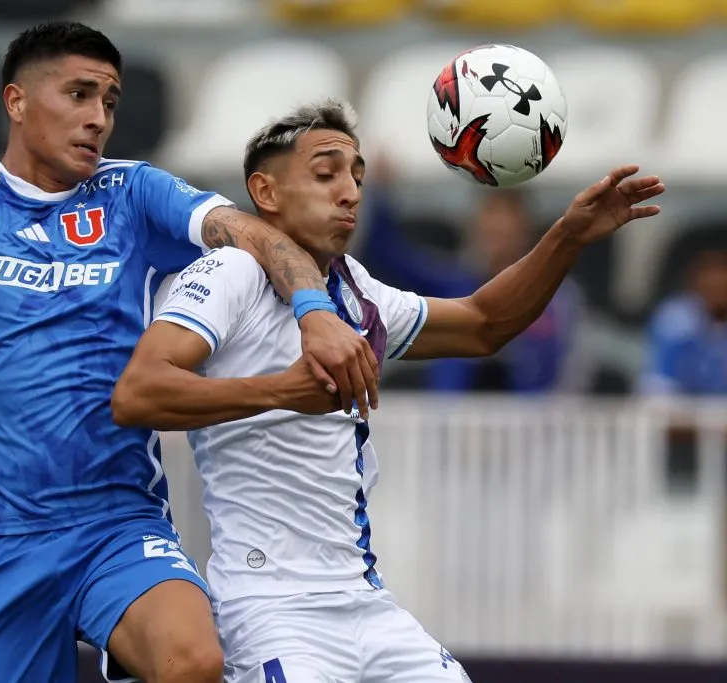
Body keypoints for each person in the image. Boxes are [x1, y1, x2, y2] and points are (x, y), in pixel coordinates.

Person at [0, 21, 377, 683]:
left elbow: (255, 234)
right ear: (16, 102)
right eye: (79, 95)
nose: (98, 118)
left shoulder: (133, 193)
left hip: (115, 522)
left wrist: (315, 311)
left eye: (109, 101)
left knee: (193, 660)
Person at [112, 99, 664, 682]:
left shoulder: (356, 290)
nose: (350, 192)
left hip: (364, 599)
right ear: (266, 193)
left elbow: (483, 324)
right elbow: (139, 394)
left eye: (356, 176)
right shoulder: (229, 273)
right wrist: (281, 391)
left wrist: (568, 236)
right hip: (270, 606)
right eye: (326, 174)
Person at [361, 173, 586, 393]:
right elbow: (388, 254)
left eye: (506, 217)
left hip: (530, 424)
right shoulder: (452, 285)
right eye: (490, 214)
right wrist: (381, 194)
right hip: (451, 421)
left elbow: (567, 373)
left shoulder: (555, 296)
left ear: (525, 226)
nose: (497, 226)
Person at [640, 248, 727, 395]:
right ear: (696, 283)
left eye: (722, 288)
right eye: (711, 286)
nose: (717, 293)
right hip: (681, 407)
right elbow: (659, 384)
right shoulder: (676, 319)